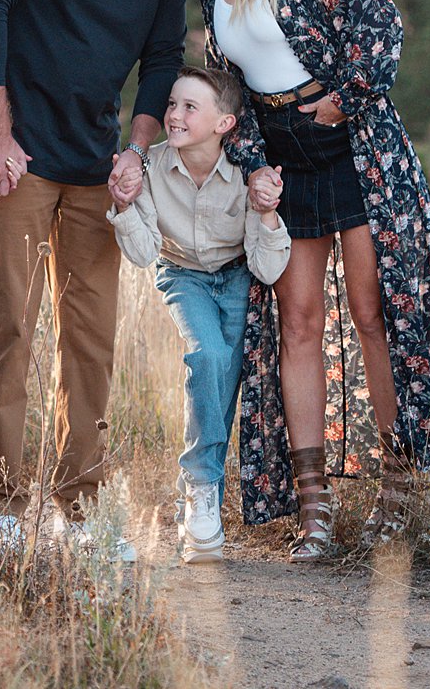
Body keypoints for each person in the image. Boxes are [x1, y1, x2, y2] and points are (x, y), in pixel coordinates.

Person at [0, 0, 252, 536]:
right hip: (16, 159)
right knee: (10, 331)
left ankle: (77, 510)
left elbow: (161, 55)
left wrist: (138, 149)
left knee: (90, 338)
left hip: (95, 165)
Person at [192, 0, 430, 561]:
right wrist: (254, 160)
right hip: (285, 164)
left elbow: (382, 24)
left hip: (351, 148)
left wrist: (345, 99)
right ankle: (313, 509)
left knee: (372, 310)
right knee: (297, 323)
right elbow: (232, 91)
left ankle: (399, 490)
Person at [109, 66, 291, 563]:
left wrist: (269, 213)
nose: (173, 114)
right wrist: (125, 206)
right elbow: (145, 255)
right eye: (172, 104)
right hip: (181, 274)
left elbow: (270, 268)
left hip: (236, 276)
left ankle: (202, 490)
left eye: (190, 107)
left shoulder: (247, 177)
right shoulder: (148, 170)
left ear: (224, 124)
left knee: (225, 375)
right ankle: (202, 488)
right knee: (207, 354)